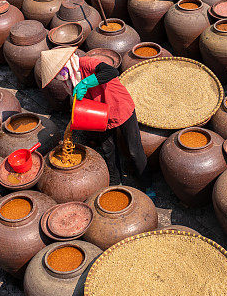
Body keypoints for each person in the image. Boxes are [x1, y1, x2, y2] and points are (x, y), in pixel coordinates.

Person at [38, 46, 148, 189]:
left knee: (134, 151)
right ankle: (114, 182)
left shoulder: (86, 63)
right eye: (56, 75)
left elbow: (111, 71)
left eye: (60, 71)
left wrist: (86, 82)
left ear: (66, 63)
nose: (60, 76)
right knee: (108, 149)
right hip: (100, 114)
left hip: (120, 106)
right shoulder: (70, 80)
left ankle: (146, 184)